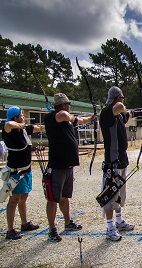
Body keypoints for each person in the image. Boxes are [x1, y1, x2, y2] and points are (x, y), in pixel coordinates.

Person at [44, 93, 95, 242]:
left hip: (68, 165)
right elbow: (64, 115)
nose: (69, 106)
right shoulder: (52, 118)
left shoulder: (66, 118)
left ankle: (68, 222)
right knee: (53, 199)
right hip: (57, 165)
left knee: (66, 197)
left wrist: (92, 118)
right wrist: (72, 117)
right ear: (62, 105)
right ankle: (52, 229)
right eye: (68, 104)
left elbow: (81, 119)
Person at [99, 86, 135, 241]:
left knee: (120, 194)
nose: (122, 101)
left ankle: (119, 221)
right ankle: (109, 227)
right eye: (121, 97)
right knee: (110, 195)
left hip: (121, 160)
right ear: (116, 98)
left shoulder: (118, 116)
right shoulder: (107, 112)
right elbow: (121, 108)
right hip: (112, 162)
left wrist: (131, 113)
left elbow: (127, 114)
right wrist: (124, 108)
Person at [2, 107, 43, 240]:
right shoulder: (9, 130)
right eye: (21, 115)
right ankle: (10, 230)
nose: (23, 117)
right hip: (15, 172)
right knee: (13, 200)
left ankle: (25, 223)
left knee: (23, 198)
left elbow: (39, 128)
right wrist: (20, 125)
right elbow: (8, 124)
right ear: (15, 118)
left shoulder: (24, 130)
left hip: (26, 170)